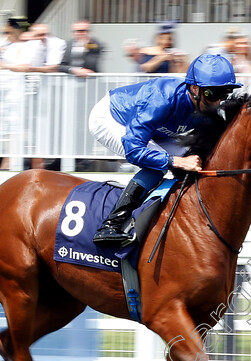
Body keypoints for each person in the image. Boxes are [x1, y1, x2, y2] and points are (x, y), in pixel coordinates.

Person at [88, 53, 242, 245]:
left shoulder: (205, 103)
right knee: (160, 164)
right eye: (212, 94)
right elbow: (134, 150)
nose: (217, 102)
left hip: (156, 130)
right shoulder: (160, 99)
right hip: (111, 118)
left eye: (224, 94)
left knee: (196, 162)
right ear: (194, 88)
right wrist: (175, 161)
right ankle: (111, 224)